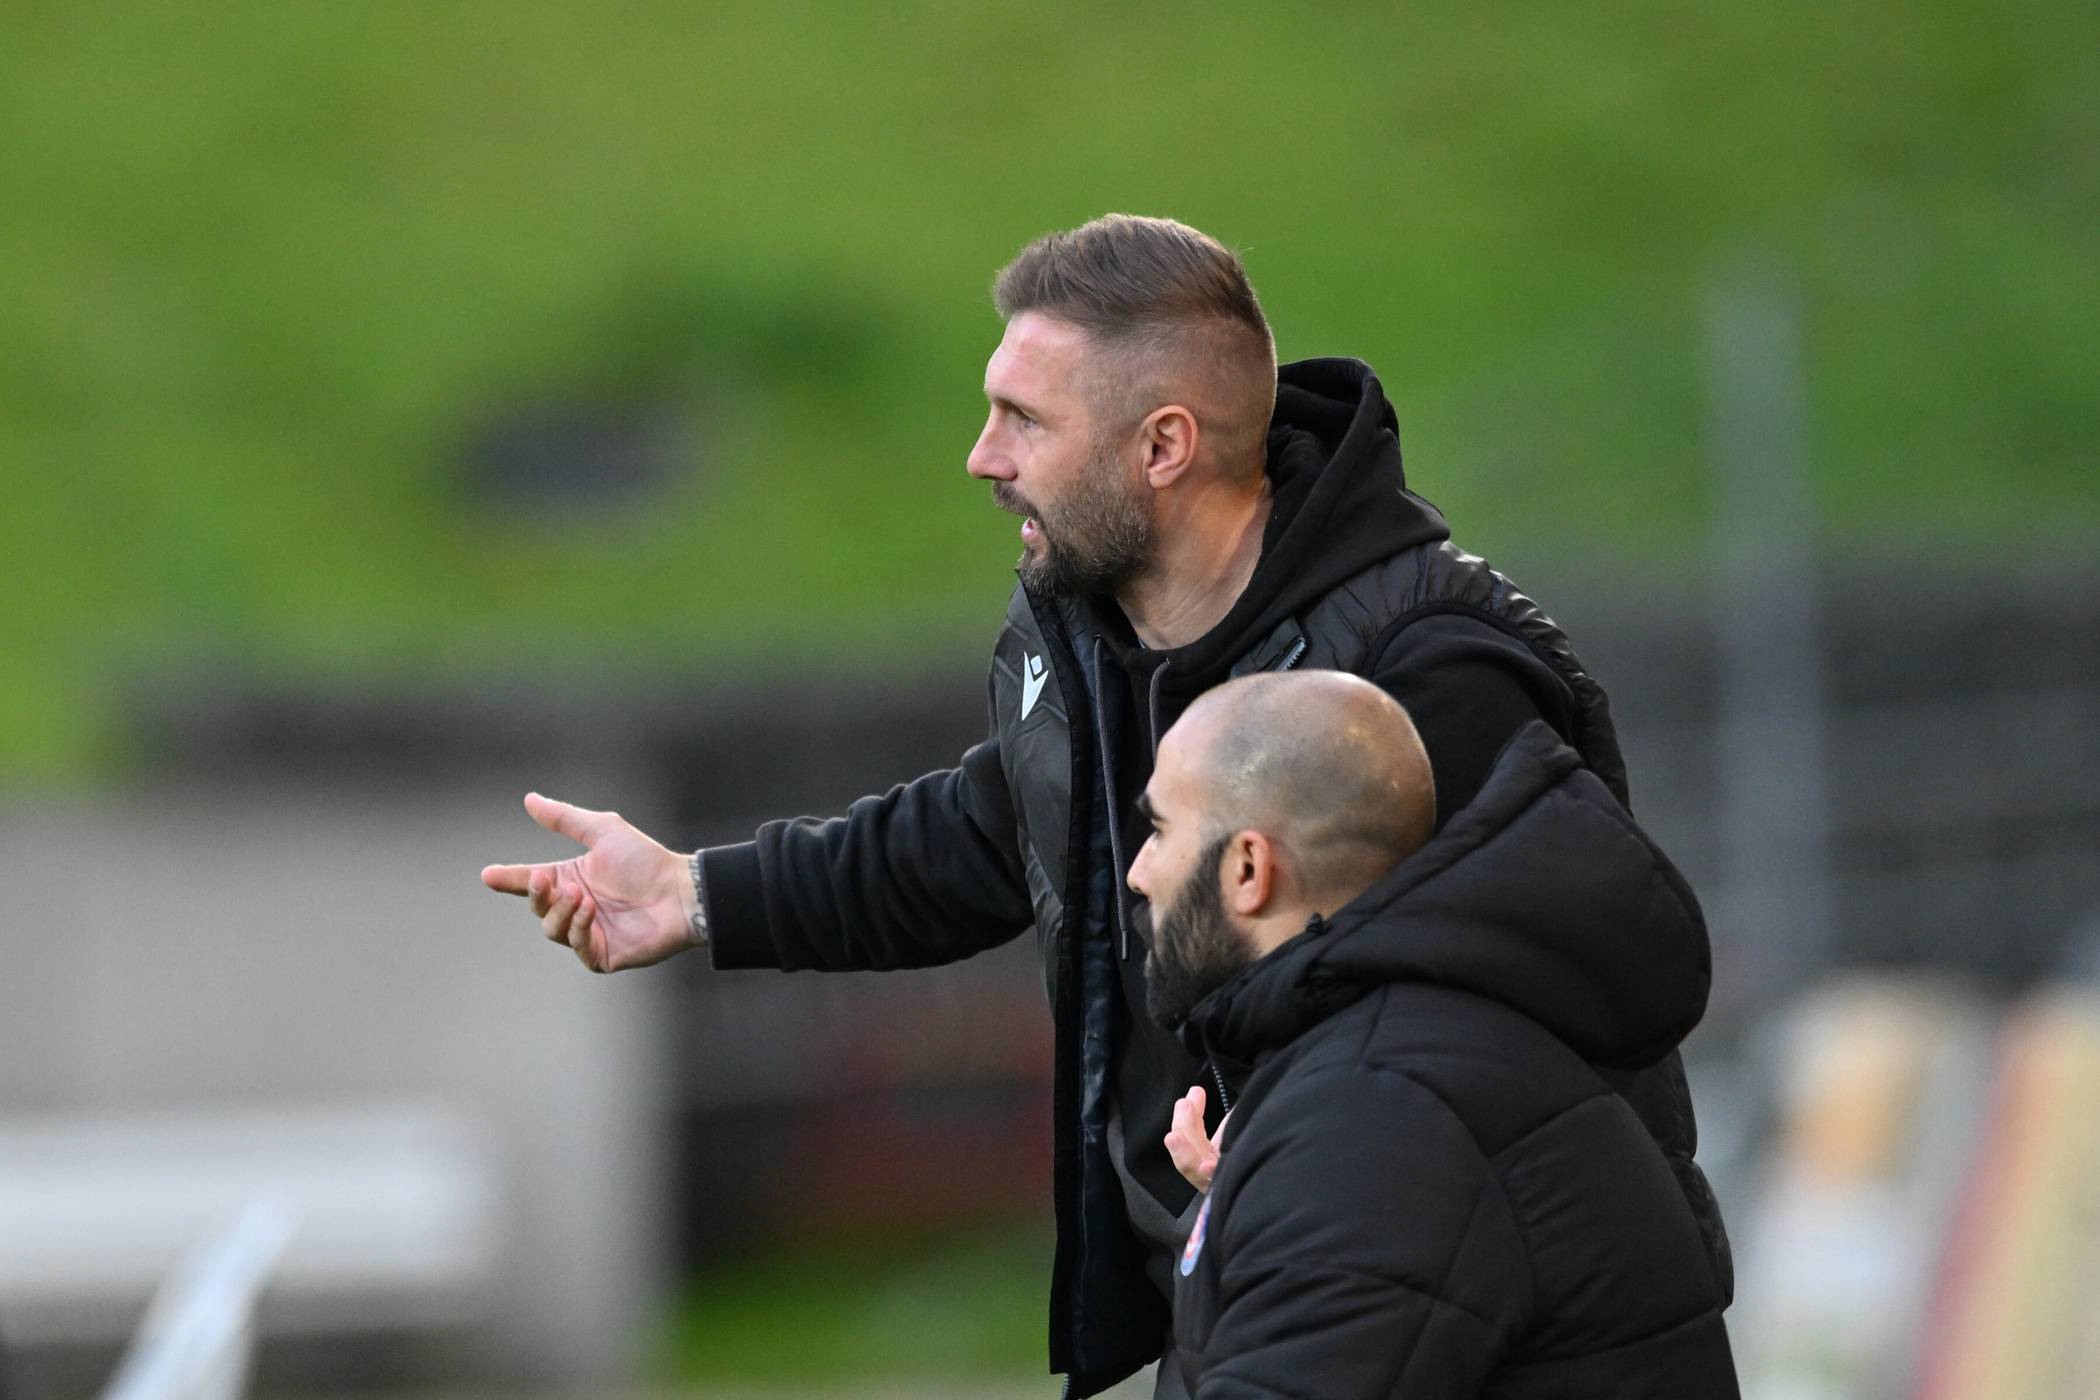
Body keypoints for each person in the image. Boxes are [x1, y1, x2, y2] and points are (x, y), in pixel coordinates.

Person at [480, 214, 1728, 1398]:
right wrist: (698, 893)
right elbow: (1000, 825)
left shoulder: (1421, 678)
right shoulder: (1088, 625)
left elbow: (1493, 1026)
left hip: (1441, 1301)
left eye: (1024, 418)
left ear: (1164, 446)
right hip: (1271, 1251)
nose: (982, 455)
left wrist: (1313, 1164)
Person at [1131, 670, 1739, 1397]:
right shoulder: (1402, 1070)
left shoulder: (1377, 1123)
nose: (1140, 871)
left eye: (1162, 829)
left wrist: (1299, 1188)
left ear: (1250, 869)